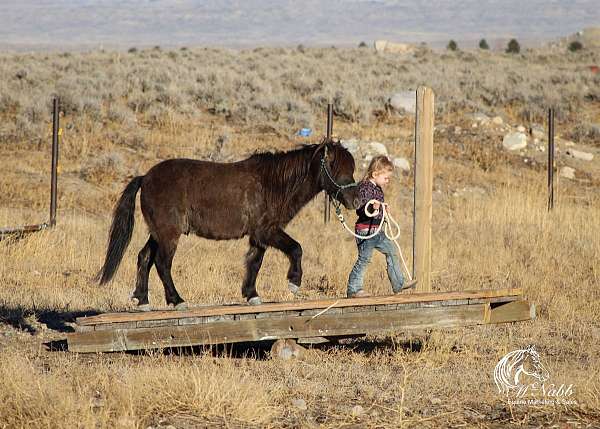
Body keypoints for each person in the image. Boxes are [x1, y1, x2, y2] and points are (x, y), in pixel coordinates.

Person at [346, 155, 414, 298]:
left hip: (377, 230)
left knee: (392, 251)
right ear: (375, 174)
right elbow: (361, 208)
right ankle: (354, 289)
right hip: (366, 230)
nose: (388, 181)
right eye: (386, 178)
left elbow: (377, 207)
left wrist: (383, 210)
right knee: (364, 259)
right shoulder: (364, 187)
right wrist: (373, 208)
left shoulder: (377, 188)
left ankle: (398, 283)